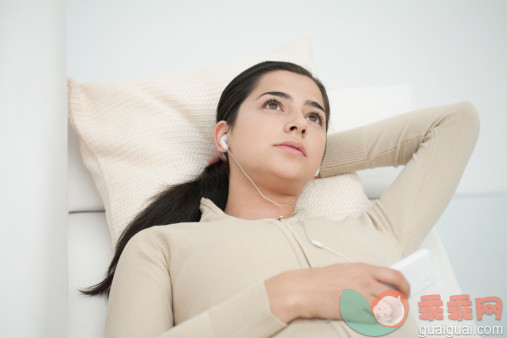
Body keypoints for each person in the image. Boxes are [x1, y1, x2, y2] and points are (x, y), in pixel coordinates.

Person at [79, 61, 480, 337]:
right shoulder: (162, 246)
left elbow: (455, 123)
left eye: (314, 118)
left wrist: (306, 156)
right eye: (273, 104)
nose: (298, 124)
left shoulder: (379, 231)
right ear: (224, 134)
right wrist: (285, 296)